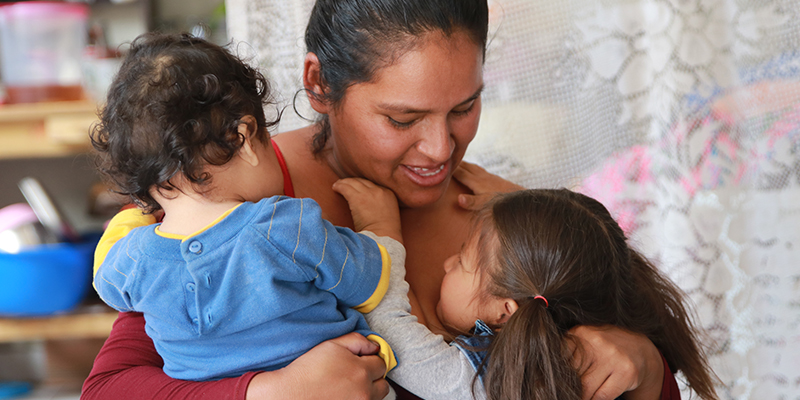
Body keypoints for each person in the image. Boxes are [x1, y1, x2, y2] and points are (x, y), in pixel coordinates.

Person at [82, 1, 675, 399]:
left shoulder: (502, 216)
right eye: (403, 118)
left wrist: (646, 367)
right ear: (318, 83)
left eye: (464, 107)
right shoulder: (218, 198)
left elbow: (646, 376)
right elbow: (110, 389)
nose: (442, 149)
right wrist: (268, 392)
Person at [90, 32, 401, 382]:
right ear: (245, 138)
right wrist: (380, 226)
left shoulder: (133, 260)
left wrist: (132, 218)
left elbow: (105, 279)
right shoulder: (284, 227)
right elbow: (371, 284)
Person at [352, 185, 720, 400]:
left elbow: (396, 335)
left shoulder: (494, 377)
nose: (448, 264)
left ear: (505, 311)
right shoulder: (574, 351)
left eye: (463, 261)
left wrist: (380, 237)